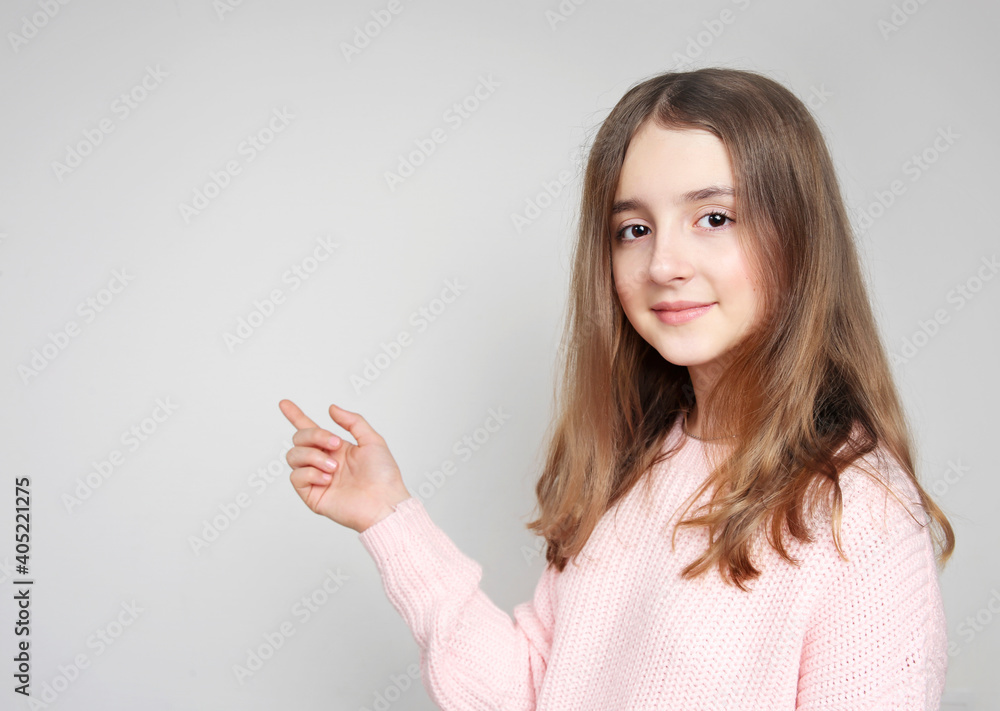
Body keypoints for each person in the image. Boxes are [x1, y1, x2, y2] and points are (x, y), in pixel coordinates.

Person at [279, 67, 955, 709]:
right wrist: (390, 517)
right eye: (634, 230)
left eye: (714, 218)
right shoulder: (633, 464)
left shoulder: (859, 511)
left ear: (800, 238)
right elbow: (530, 692)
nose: (663, 264)